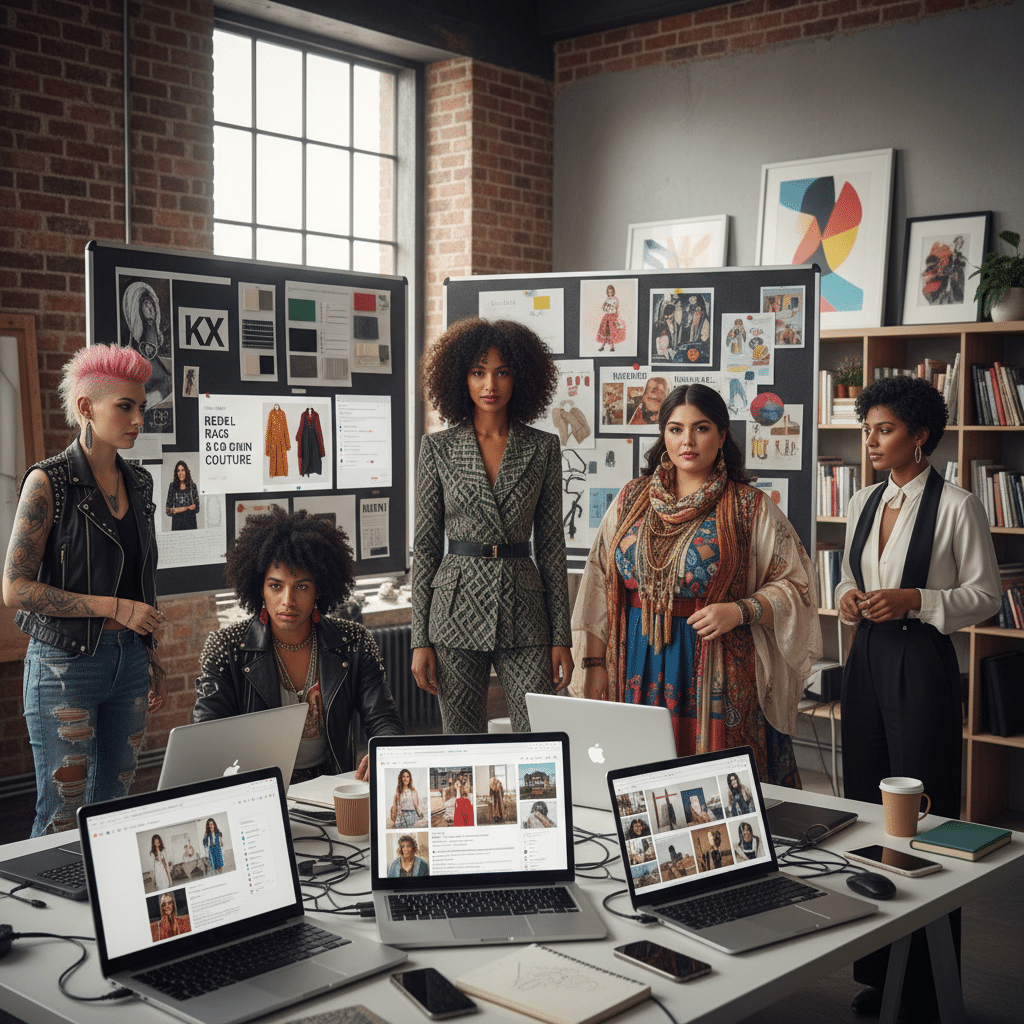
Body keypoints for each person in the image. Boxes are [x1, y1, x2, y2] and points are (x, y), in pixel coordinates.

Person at [835, 375, 1000, 1021]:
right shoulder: (862, 502)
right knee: (865, 808)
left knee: (921, 815)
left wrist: (917, 600)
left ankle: (929, 982)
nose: (871, 441)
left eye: (885, 429)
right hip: (867, 659)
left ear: (920, 434)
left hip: (922, 659)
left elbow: (984, 594)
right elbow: (853, 572)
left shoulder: (958, 505)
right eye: (868, 428)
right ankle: (879, 970)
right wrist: (850, 596)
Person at [571, 383, 821, 787]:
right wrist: (594, 665)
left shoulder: (750, 507)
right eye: (675, 429)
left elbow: (797, 583)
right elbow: (600, 579)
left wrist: (740, 610)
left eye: (701, 428)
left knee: (716, 788)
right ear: (663, 435)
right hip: (637, 659)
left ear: (722, 436)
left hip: (716, 661)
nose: (686, 441)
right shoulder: (630, 499)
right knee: (643, 779)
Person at [3, 345, 166, 837]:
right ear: (85, 408)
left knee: (115, 811)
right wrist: (112, 608)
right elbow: (14, 588)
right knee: (60, 813)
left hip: (130, 662)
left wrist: (149, 654)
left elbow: (141, 574)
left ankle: (103, 912)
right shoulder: (47, 481)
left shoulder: (139, 481)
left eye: (142, 407)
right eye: (125, 406)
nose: (138, 418)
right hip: (63, 664)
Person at [411, 318, 573, 734]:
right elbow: (426, 546)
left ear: (520, 377)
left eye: (502, 372)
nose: (490, 385)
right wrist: (419, 639)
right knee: (461, 741)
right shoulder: (438, 448)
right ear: (460, 377)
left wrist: (562, 636)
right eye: (478, 372)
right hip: (453, 607)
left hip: (525, 607)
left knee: (539, 734)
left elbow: (552, 547)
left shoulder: (542, 447)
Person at [194, 507, 403, 781]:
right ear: (260, 588)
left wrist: (383, 753)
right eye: (276, 586)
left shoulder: (353, 642)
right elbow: (207, 735)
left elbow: (383, 719)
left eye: (302, 586)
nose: (288, 601)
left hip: (333, 784)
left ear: (319, 590)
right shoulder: (227, 646)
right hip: (261, 789)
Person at [120, 280, 172, 410]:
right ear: (140, 310)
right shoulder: (144, 332)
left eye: (152, 305)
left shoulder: (154, 329)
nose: (150, 309)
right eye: (146, 305)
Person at [165, 460, 200, 530]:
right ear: (176, 473)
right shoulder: (172, 486)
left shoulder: (192, 486)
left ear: (186, 471)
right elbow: (168, 511)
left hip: (191, 525)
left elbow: (197, 509)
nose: (180, 473)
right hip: (177, 526)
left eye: (182, 470)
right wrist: (187, 508)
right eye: (178, 470)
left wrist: (176, 510)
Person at [596, 284, 626, 351]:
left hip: (612, 317)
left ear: (614, 292)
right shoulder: (607, 299)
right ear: (607, 292)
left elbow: (616, 308)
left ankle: (612, 347)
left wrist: (612, 310)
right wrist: (605, 306)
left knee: (611, 332)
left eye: (612, 292)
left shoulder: (615, 299)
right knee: (604, 331)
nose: (610, 293)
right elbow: (603, 307)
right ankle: (602, 346)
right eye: (609, 292)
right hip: (606, 317)